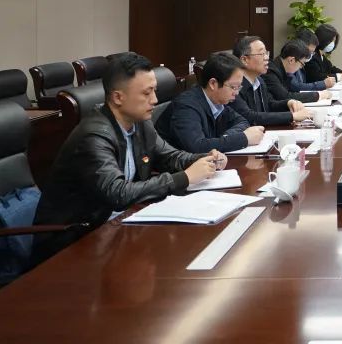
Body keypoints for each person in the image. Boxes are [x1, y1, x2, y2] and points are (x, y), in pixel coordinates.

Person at [32, 53, 221, 263]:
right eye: (146, 93)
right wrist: (184, 177)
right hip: (73, 241)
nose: (155, 100)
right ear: (118, 97)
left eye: (155, 91)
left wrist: (205, 158)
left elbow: (170, 156)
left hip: (116, 226)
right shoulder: (93, 136)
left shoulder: (139, 122)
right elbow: (119, 194)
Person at [156, 52, 265, 153]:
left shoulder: (218, 102)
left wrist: (226, 138)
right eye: (233, 87)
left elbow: (242, 121)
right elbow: (197, 147)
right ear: (213, 84)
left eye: (239, 87)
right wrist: (243, 139)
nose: (236, 93)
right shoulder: (186, 107)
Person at [231, 35, 312, 126]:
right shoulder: (234, 86)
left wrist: (288, 103)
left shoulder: (259, 81)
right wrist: (292, 116)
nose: (267, 58)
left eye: (266, 53)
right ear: (244, 60)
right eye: (262, 54)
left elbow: (269, 104)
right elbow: (250, 117)